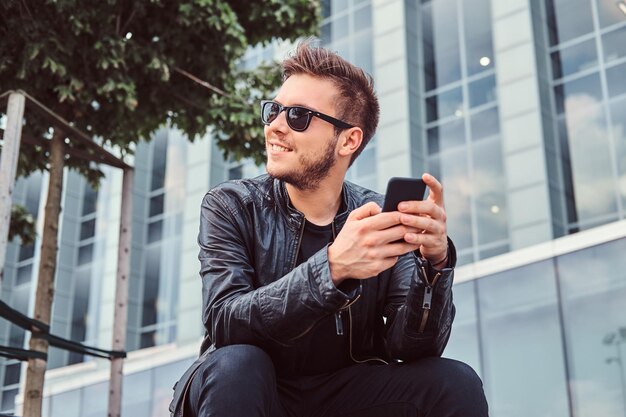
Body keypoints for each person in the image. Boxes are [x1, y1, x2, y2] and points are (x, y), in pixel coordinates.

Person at [170, 41, 488, 417]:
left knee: (455, 381)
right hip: (253, 391)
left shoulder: (377, 222)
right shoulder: (232, 205)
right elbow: (226, 322)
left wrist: (433, 267)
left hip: (346, 396)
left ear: (348, 140)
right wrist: (333, 268)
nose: (275, 126)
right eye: (274, 111)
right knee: (237, 365)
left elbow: (414, 348)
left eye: (298, 116)